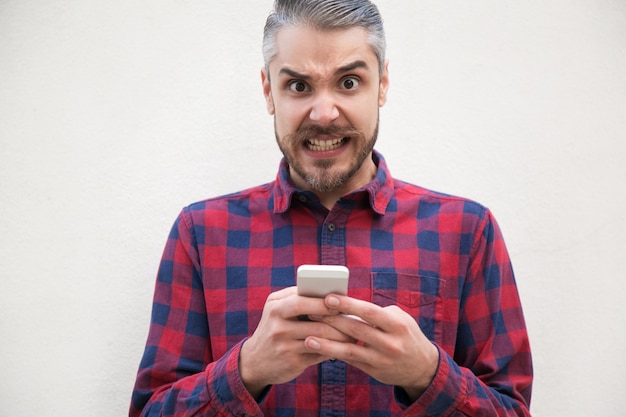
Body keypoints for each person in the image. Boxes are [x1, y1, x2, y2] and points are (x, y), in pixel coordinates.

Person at [129, 0, 533, 416]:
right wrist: (246, 370)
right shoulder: (201, 233)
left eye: (349, 82)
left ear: (383, 84)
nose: (324, 114)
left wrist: (427, 374)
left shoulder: (467, 231)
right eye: (299, 86)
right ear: (269, 91)